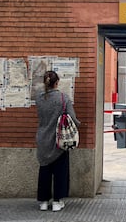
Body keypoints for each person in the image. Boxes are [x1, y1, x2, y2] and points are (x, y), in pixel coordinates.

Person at [35, 71, 81, 212]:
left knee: (44, 170)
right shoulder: (63, 98)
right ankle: (57, 201)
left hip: (43, 139)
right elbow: (72, 117)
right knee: (60, 171)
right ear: (57, 82)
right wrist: (78, 124)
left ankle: (43, 201)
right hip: (59, 140)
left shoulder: (39, 99)